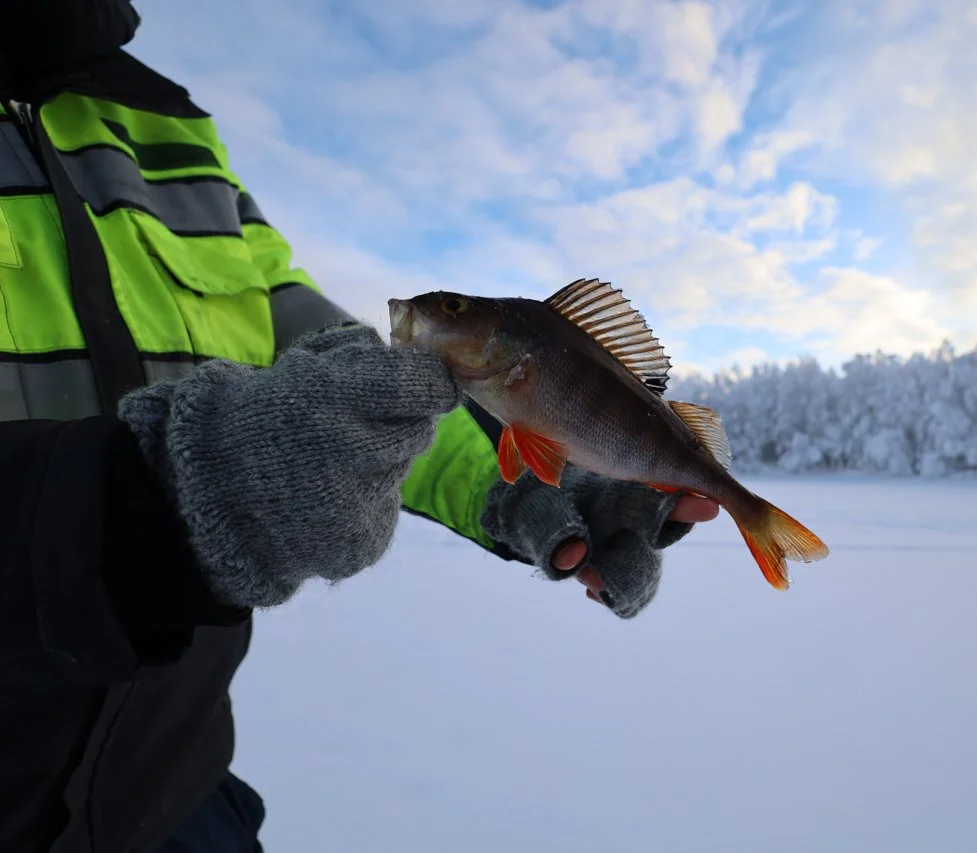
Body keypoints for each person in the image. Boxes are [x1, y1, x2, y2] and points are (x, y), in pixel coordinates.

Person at [0, 2, 719, 851]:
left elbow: (332, 371)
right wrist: (126, 510)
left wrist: (513, 474)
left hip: (167, 782)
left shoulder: (166, 125)